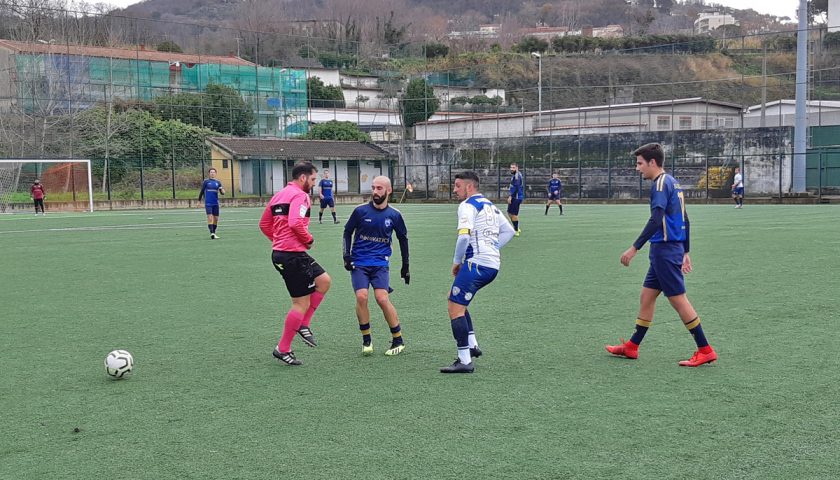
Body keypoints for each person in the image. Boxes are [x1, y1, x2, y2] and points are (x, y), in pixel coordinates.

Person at [606, 143, 717, 367]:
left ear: (652, 163)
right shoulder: (673, 182)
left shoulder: (659, 185)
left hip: (665, 251)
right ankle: (632, 346)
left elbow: (656, 219)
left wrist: (634, 247)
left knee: (678, 300)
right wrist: (686, 250)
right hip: (667, 250)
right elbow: (685, 219)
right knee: (647, 297)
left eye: (640, 164)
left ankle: (705, 349)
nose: (638, 168)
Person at [441, 171, 516, 373]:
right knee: (454, 298)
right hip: (492, 265)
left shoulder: (467, 206)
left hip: (476, 264)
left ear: (469, 187)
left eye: (457, 186)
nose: (454, 190)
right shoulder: (490, 206)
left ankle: (464, 360)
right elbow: (509, 231)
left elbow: (464, 238)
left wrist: (457, 262)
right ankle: (472, 345)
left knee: (454, 309)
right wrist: (492, 249)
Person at [259, 162, 331, 366]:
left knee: (324, 281)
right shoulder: (300, 195)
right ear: (303, 178)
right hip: (292, 256)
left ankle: (303, 324)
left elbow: (264, 224)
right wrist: (308, 239)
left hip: (285, 253)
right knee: (300, 303)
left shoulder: (280, 194)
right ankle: (283, 349)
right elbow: (295, 222)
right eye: (313, 179)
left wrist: (278, 241)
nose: (314, 184)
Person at [343, 176, 410, 356]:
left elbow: (403, 240)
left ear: (388, 191)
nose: (375, 192)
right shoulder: (360, 212)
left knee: (382, 298)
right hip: (360, 262)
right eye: (373, 188)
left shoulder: (394, 215)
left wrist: (406, 266)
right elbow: (347, 232)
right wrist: (346, 255)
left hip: (380, 263)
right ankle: (367, 340)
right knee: (362, 296)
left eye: (379, 188)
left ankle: (398, 339)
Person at [198, 168, 225, 239]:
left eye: (213, 172)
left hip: (215, 203)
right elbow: (201, 191)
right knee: (210, 217)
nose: (212, 173)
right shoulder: (206, 182)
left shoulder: (218, 182)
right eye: (211, 172)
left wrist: (222, 191)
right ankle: (212, 233)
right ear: (209, 173)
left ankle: (214, 232)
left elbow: (222, 193)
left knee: (216, 219)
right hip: (208, 203)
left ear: (216, 173)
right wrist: (199, 201)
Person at [507, 163, 524, 236]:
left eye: (513, 167)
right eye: (511, 167)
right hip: (514, 197)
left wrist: (511, 196)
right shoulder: (515, 175)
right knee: (509, 212)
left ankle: (516, 230)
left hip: (516, 197)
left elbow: (516, 187)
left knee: (513, 214)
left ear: (517, 168)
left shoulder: (517, 176)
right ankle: (516, 227)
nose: (511, 169)